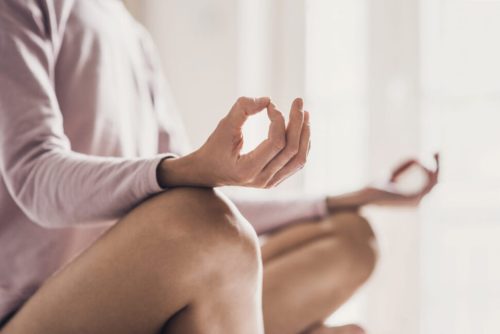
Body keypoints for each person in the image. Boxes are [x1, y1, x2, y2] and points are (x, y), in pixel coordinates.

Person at [0, 1, 439, 333]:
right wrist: (185, 170)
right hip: (34, 311)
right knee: (204, 225)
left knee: (351, 237)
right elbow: (35, 179)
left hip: (145, 301)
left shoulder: (133, 37)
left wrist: (346, 198)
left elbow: (200, 196)